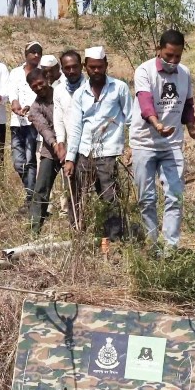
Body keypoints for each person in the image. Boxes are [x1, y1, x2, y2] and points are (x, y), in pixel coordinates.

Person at [130, 29, 195, 249]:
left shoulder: (184, 73)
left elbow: (188, 104)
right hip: (145, 143)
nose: (173, 61)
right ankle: (151, 245)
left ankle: (170, 248)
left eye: (177, 56)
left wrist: (191, 128)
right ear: (159, 50)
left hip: (172, 144)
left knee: (175, 196)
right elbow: (145, 102)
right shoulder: (144, 71)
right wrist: (156, 124)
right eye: (169, 55)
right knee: (147, 198)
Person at [64, 46, 132, 247]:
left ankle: (114, 239)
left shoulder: (119, 88)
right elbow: (75, 128)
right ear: (86, 67)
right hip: (84, 152)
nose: (96, 71)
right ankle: (77, 233)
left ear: (106, 66)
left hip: (109, 152)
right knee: (77, 195)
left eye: (100, 67)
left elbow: (131, 118)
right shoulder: (80, 94)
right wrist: (70, 158)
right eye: (92, 67)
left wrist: (132, 147)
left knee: (110, 196)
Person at [8, 41, 42, 212]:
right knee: (18, 161)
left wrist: (29, 106)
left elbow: (43, 94)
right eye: (32, 52)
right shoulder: (15, 73)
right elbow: (12, 92)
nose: (36, 55)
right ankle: (32, 193)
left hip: (34, 123)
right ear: (26, 54)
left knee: (30, 161)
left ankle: (31, 199)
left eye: (38, 52)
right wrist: (15, 103)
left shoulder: (43, 73)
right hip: (17, 121)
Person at [26, 69, 60, 232]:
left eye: (40, 83)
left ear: (47, 78)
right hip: (51, 150)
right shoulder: (35, 108)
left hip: (73, 148)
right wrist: (55, 145)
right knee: (41, 189)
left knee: (76, 188)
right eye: (34, 87)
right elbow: (44, 129)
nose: (39, 88)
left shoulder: (62, 93)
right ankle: (34, 229)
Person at [53, 50, 84, 216]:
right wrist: (61, 143)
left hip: (88, 144)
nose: (71, 71)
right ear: (62, 69)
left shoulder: (90, 87)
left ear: (81, 66)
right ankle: (74, 218)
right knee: (71, 183)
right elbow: (58, 119)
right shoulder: (58, 90)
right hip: (69, 143)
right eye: (67, 68)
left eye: (75, 67)